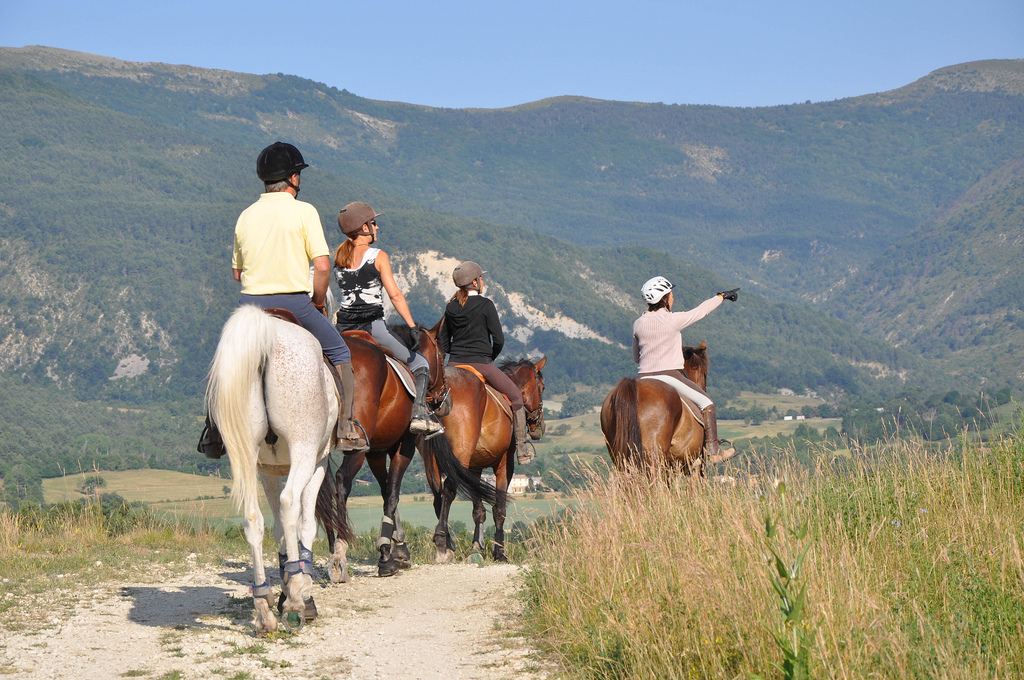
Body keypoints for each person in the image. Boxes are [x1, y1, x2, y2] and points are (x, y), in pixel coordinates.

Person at [198, 141, 366, 457]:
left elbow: (237, 273)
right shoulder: (304, 212)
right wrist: (317, 300)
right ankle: (345, 429)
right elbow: (321, 266)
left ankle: (213, 430)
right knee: (342, 353)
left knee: (224, 361)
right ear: (293, 178)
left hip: (249, 306)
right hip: (294, 304)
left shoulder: (245, 215)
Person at [333, 201, 440, 435]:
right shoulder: (377, 255)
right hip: (372, 328)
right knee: (420, 363)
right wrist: (412, 326)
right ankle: (420, 414)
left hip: (342, 330)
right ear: (363, 228)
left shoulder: (338, 257)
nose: (377, 227)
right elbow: (395, 295)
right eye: (373, 223)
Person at [632, 275, 738, 459]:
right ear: (664, 299)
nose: (673, 298)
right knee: (707, 403)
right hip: (668, 375)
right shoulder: (673, 320)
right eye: (670, 294)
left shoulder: (638, 324)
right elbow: (701, 311)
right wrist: (721, 297)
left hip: (642, 379)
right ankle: (714, 451)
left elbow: (636, 358)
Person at [437, 262, 534, 464]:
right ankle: (522, 450)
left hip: (454, 365)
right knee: (516, 397)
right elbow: (498, 339)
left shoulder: (450, 307)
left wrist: (450, 363)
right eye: (481, 278)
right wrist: (489, 358)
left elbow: (443, 341)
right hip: (481, 364)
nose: (482, 281)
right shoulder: (486, 305)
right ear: (474, 282)